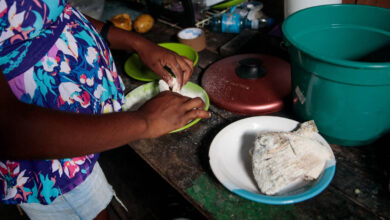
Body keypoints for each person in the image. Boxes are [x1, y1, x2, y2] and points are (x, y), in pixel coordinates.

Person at [0, 0, 210, 219]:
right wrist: (145, 121)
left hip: (81, 129)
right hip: (50, 159)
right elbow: (8, 131)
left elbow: (56, 15)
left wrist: (137, 43)